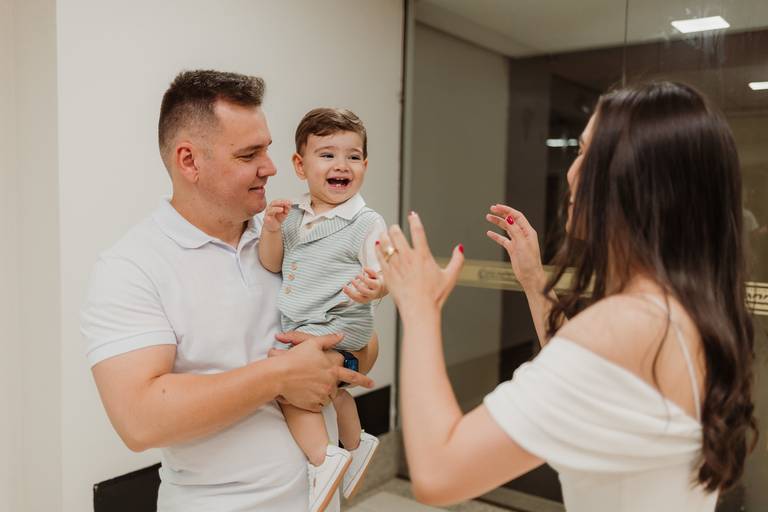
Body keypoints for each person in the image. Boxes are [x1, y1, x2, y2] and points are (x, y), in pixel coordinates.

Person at [377, 81, 757, 511]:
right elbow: (586, 374)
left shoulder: (628, 325)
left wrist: (419, 307)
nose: (572, 174)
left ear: (638, 182)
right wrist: (533, 279)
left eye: (585, 154)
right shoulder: (685, 310)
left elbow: (437, 473)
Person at [81, 70, 377, 512]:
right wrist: (280, 377)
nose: (270, 167)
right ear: (189, 161)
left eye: (267, 148)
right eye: (248, 154)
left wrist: (332, 361)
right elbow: (139, 421)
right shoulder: (131, 267)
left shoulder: (289, 234)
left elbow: (366, 346)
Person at [258, 108, 386, 512]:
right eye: (328, 155)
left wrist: (377, 287)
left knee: (290, 386)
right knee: (332, 390)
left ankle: (322, 458)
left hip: (338, 323)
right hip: (311, 322)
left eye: (353, 156)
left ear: (365, 166)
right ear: (300, 166)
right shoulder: (293, 217)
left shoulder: (365, 222)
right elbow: (271, 263)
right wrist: (272, 229)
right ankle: (356, 443)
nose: (341, 165)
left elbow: (384, 269)